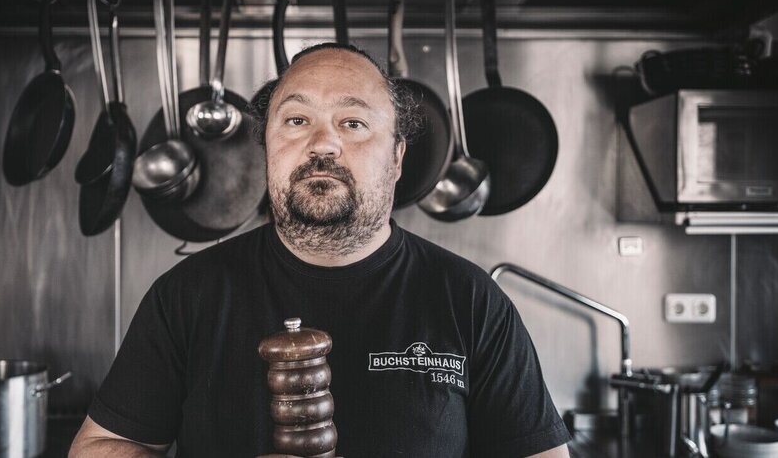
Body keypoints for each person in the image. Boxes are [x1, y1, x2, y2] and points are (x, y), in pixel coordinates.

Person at [69, 43, 572, 458]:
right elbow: (98, 447)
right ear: (267, 146)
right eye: (296, 121)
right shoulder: (187, 295)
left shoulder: (469, 300)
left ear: (397, 157)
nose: (322, 144)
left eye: (352, 123)